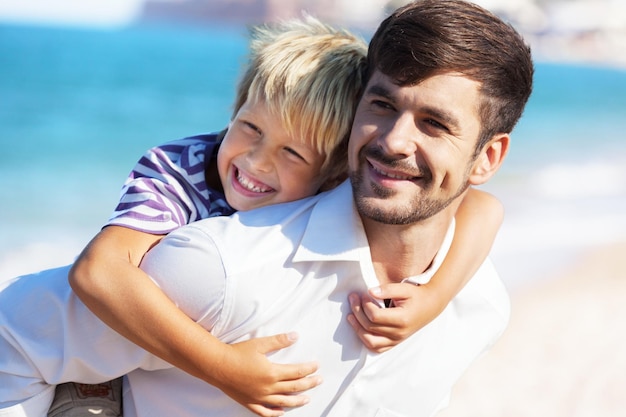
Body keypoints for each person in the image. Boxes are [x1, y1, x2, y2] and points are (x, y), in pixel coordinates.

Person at [0, 0, 534, 415]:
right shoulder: (218, 262)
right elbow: (37, 316)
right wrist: (223, 366)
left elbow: (483, 208)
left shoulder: (477, 308)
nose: (393, 141)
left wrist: (439, 295)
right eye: (382, 104)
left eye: (435, 123)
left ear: (488, 157)